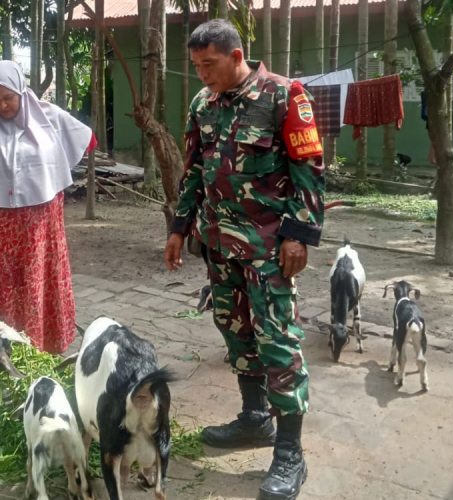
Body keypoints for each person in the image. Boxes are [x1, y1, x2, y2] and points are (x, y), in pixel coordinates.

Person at [163, 20, 325, 500]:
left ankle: (290, 454)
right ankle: (255, 419)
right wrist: (179, 227)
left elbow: (309, 169)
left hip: (271, 248)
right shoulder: (202, 105)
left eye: (208, 65)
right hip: (219, 245)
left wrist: (299, 236)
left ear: (237, 57)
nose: (202, 75)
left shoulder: (283, 96)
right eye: (196, 67)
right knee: (235, 330)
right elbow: (193, 170)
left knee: (278, 340)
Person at [0, 60, 96, 354]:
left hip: (41, 228)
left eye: (9, 98)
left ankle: (45, 349)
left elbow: (87, 139)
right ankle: (3, 351)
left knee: (39, 285)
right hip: (0, 232)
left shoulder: (49, 118)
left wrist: (56, 167)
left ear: (21, 91)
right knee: (2, 289)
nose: (3, 106)